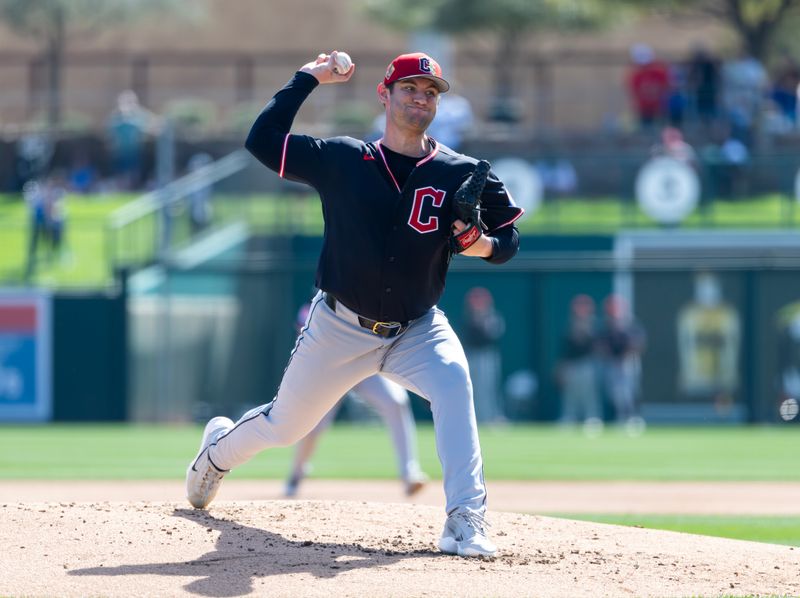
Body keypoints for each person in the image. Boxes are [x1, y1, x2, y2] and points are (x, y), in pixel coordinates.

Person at [185, 51, 523, 559]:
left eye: (430, 92)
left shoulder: (461, 171)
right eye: (409, 88)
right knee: (285, 426)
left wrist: (483, 245)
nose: (421, 98)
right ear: (384, 95)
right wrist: (308, 78)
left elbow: (508, 239)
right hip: (340, 325)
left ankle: (465, 518)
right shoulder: (342, 158)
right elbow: (261, 141)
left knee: (455, 387)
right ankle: (216, 453)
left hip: (417, 327)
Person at [284, 303, 428, 498]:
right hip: (330, 370)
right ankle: (297, 473)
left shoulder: (369, 300)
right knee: (313, 426)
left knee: (396, 402)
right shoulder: (314, 308)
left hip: (367, 365)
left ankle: (409, 472)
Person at [596, 294, 646, 428]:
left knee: (629, 392)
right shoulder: (605, 327)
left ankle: (633, 418)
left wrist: (623, 356)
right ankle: (620, 418)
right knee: (616, 395)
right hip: (612, 363)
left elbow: (638, 345)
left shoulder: (631, 325)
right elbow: (601, 347)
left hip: (629, 362)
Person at [461, 287, 506, 424]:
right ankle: (475, 419)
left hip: (486, 355)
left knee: (488, 388)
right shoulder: (467, 318)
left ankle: (491, 417)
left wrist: (482, 318)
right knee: (471, 388)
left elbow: (493, 334)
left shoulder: (492, 317)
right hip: (470, 355)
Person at [557, 294, 602, 428]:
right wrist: (561, 368)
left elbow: (596, 346)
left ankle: (592, 418)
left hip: (588, 363)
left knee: (589, 394)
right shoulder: (569, 325)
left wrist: (584, 331)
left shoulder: (595, 324)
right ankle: (569, 417)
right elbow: (565, 349)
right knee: (570, 394)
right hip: (572, 364)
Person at [626, 44, 670, 129]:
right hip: (644, 107)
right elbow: (634, 89)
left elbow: (666, 86)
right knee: (646, 127)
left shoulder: (659, 71)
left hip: (660, 106)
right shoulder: (636, 74)